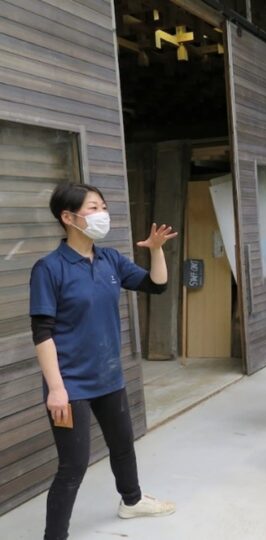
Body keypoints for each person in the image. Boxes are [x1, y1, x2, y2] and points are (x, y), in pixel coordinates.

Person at [30, 183, 176, 540]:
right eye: (93, 208)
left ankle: (132, 501)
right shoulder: (49, 268)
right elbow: (42, 333)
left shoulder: (110, 259)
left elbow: (156, 286)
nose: (102, 214)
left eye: (103, 206)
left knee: (123, 445)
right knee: (73, 465)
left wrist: (156, 251)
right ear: (68, 217)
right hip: (70, 385)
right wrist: (57, 390)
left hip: (109, 376)